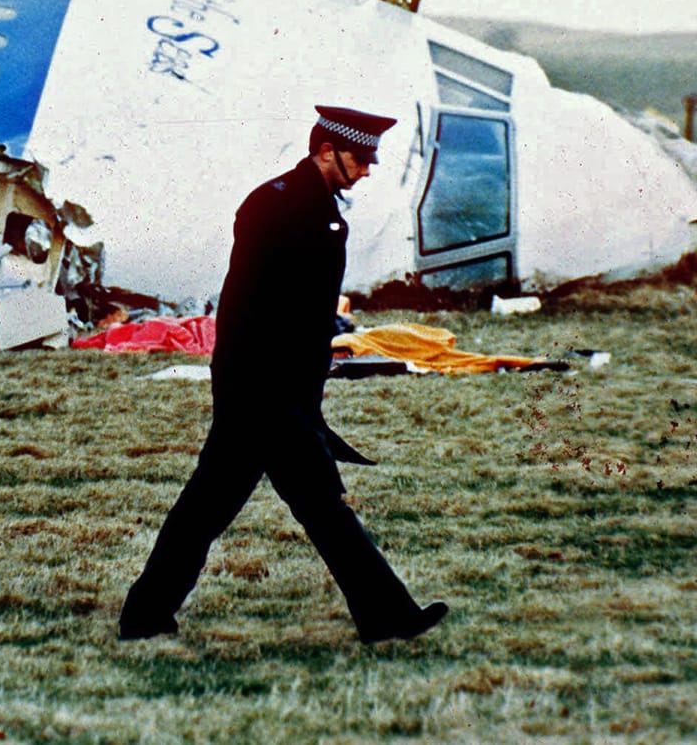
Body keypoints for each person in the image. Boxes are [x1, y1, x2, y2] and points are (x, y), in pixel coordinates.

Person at [118, 106, 449, 645]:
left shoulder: (309, 206)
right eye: (360, 158)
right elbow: (253, 308)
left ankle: (146, 614)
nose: (366, 170)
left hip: (276, 391)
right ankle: (387, 616)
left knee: (216, 507)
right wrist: (281, 399)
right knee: (316, 506)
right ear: (326, 152)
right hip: (265, 392)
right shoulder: (280, 207)